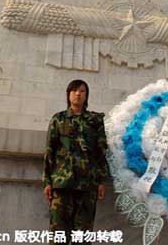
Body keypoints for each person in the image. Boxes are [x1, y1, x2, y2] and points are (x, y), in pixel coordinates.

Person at [42, 79, 109, 239]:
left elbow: (101, 151)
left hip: (87, 185)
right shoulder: (58, 119)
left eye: (82, 91)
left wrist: (101, 181)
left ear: (86, 96)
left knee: (83, 236)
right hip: (61, 184)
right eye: (74, 91)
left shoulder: (95, 121)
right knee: (58, 235)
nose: (78, 94)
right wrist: (47, 182)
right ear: (68, 94)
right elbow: (49, 151)